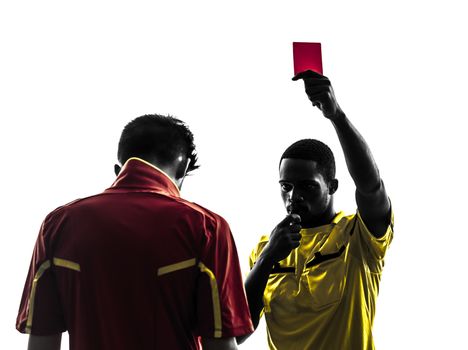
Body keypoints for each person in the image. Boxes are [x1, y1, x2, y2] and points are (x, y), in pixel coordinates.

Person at [16, 114, 253, 350]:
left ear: (117, 169)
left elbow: (41, 343)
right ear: (184, 167)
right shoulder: (206, 228)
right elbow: (220, 344)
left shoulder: (58, 225)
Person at [239, 71, 393, 349]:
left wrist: (336, 115)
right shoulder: (265, 247)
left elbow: (371, 187)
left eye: (307, 187)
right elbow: (238, 331)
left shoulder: (357, 235)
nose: (293, 196)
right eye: (285, 186)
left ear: (332, 186)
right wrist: (266, 259)